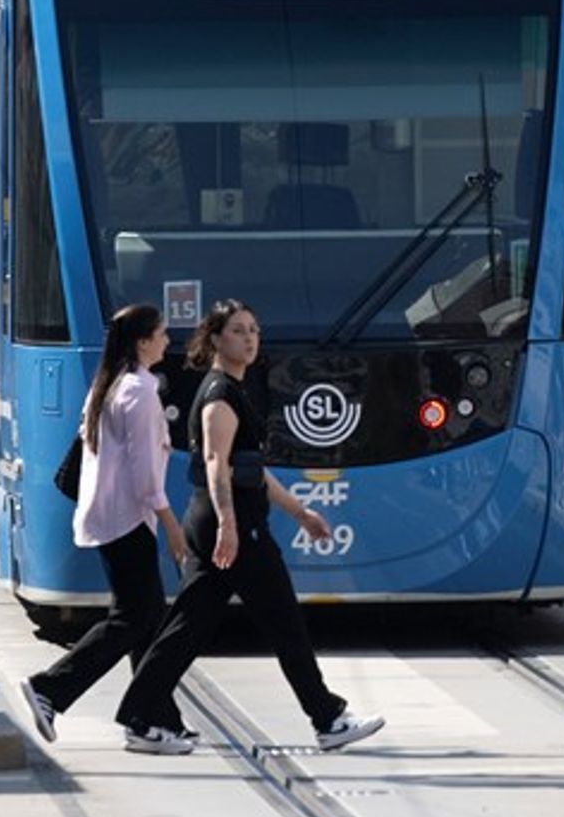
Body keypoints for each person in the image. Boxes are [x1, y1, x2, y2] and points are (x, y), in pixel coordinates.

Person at [110, 302, 383, 755]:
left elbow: (250, 469)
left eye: (254, 330)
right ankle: (327, 717)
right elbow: (218, 466)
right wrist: (230, 527)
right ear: (216, 339)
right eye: (238, 331)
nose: (250, 338)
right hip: (233, 526)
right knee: (285, 624)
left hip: (221, 521)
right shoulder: (220, 395)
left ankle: (141, 713)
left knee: (187, 628)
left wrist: (300, 512)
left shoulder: (232, 389)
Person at [18, 304, 194, 744]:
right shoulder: (137, 391)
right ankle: (50, 689)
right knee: (132, 620)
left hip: (113, 516)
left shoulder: (111, 383)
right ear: (142, 342)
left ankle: (152, 718)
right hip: (125, 519)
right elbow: (144, 473)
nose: (167, 342)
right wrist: (171, 523)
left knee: (147, 617)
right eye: (162, 334)